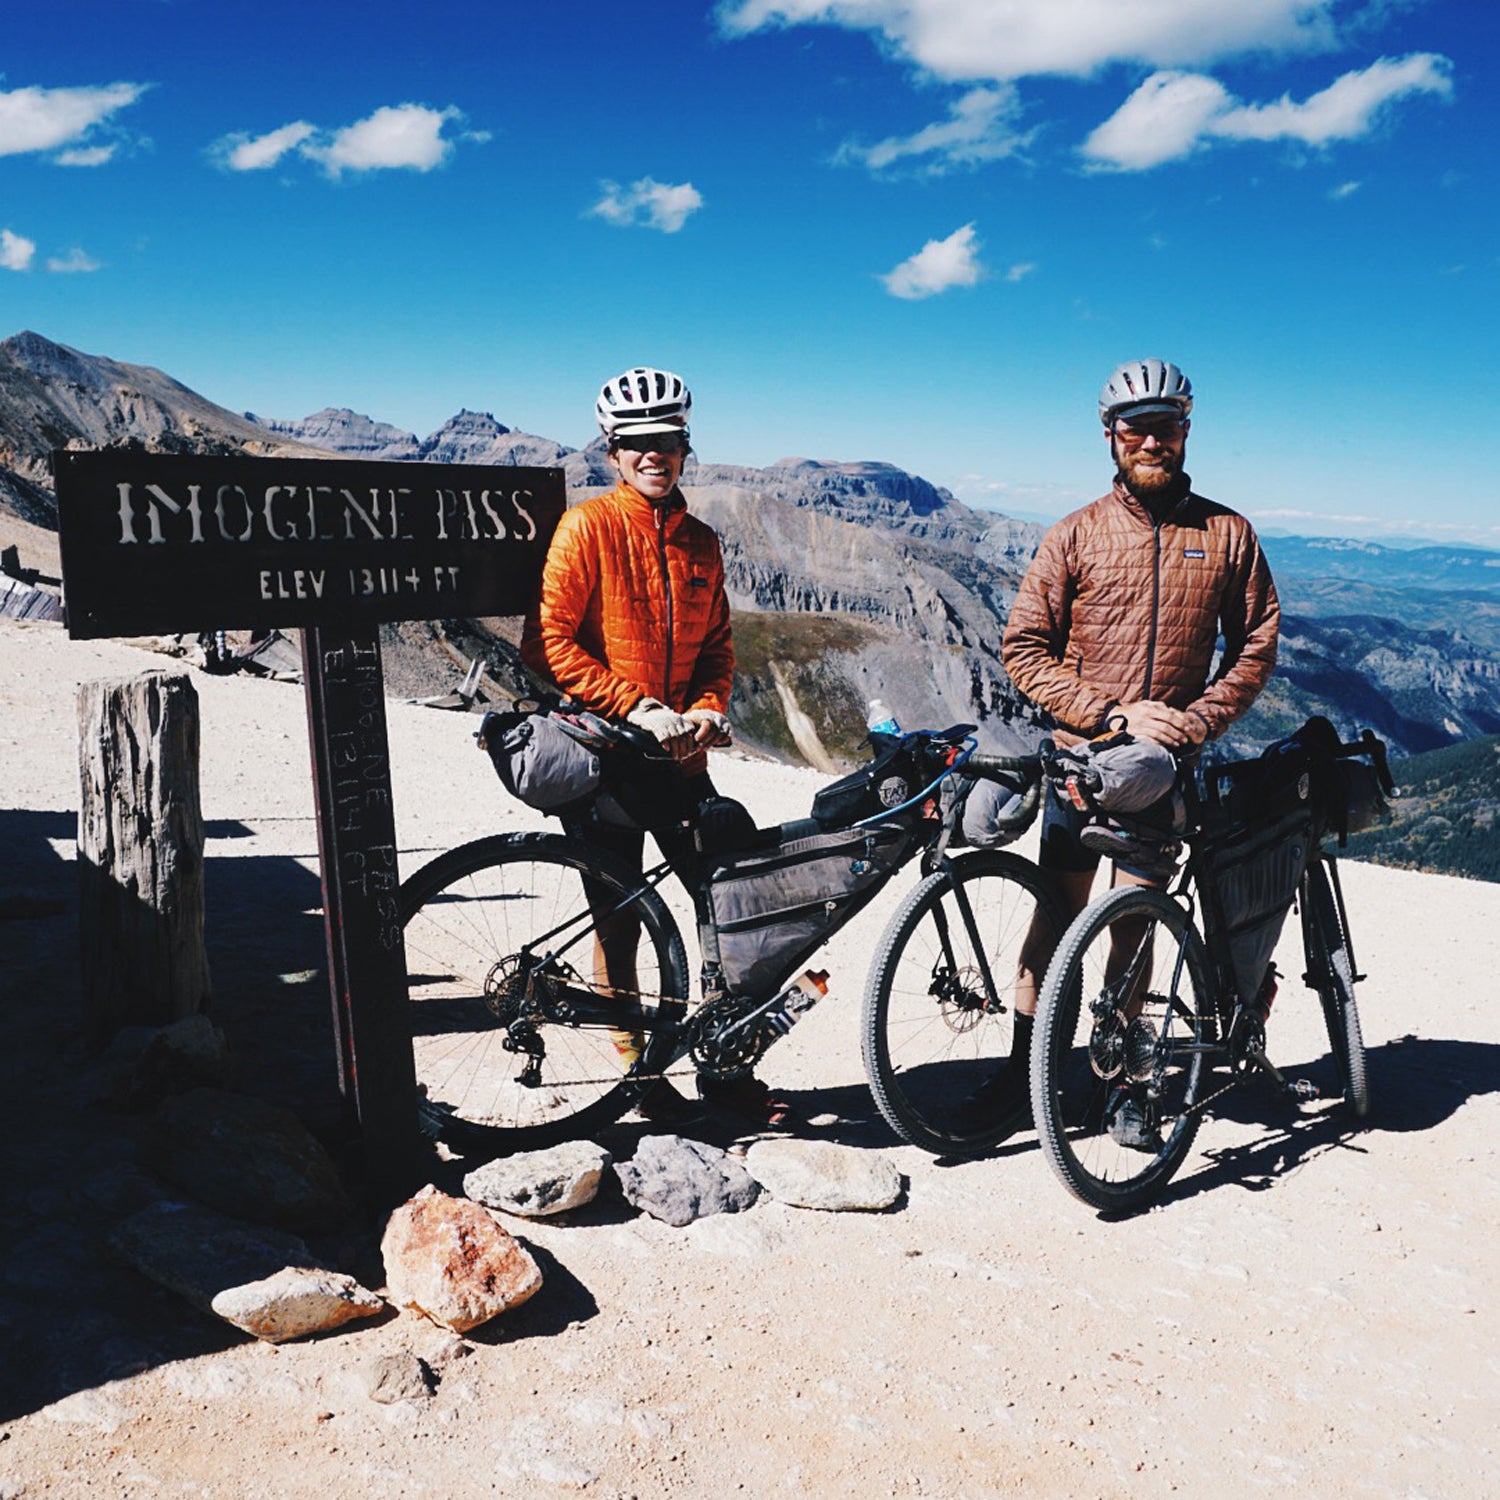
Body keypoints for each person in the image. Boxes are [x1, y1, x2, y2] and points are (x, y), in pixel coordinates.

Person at [987, 357, 1281, 1142]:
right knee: (1054, 919)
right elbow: (1023, 648)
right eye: (1135, 427)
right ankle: (1023, 1073)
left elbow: (1255, 644)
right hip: (1081, 761)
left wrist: (1199, 721)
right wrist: (1111, 717)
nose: (1151, 439)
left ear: (1186, 431)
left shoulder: (1227, 533)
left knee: (1133, 921)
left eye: (1167, 425)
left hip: (1164, 769)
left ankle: (1123, 1081)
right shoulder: (1076, 533)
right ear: (1110, 435)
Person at [520, 365, 793, 1128]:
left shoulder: (701, 542)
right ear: (612, 450)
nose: (653, 455)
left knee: (729, 909)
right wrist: (634, 705)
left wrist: (706, 708)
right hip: (608, 755)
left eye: (666, 440)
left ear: (684, 446)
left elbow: (718, 650)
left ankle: (727, 1066)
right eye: (636, 443)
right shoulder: (588, 527)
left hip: (681, 760)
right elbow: (547, 644)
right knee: (619, 918)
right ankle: (636, 1074)